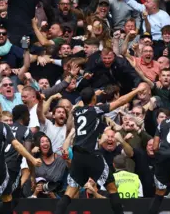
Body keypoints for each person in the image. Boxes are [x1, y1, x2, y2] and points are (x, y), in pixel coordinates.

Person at [54, 85, 145, 214]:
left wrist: (93, 95)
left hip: (78, 156)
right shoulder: (95, 110)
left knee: (69, 192)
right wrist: (136, 90)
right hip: (91, 154)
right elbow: (120, 101)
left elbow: (81, 102)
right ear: (93, 99)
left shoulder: (76, 110)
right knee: (112, 188)